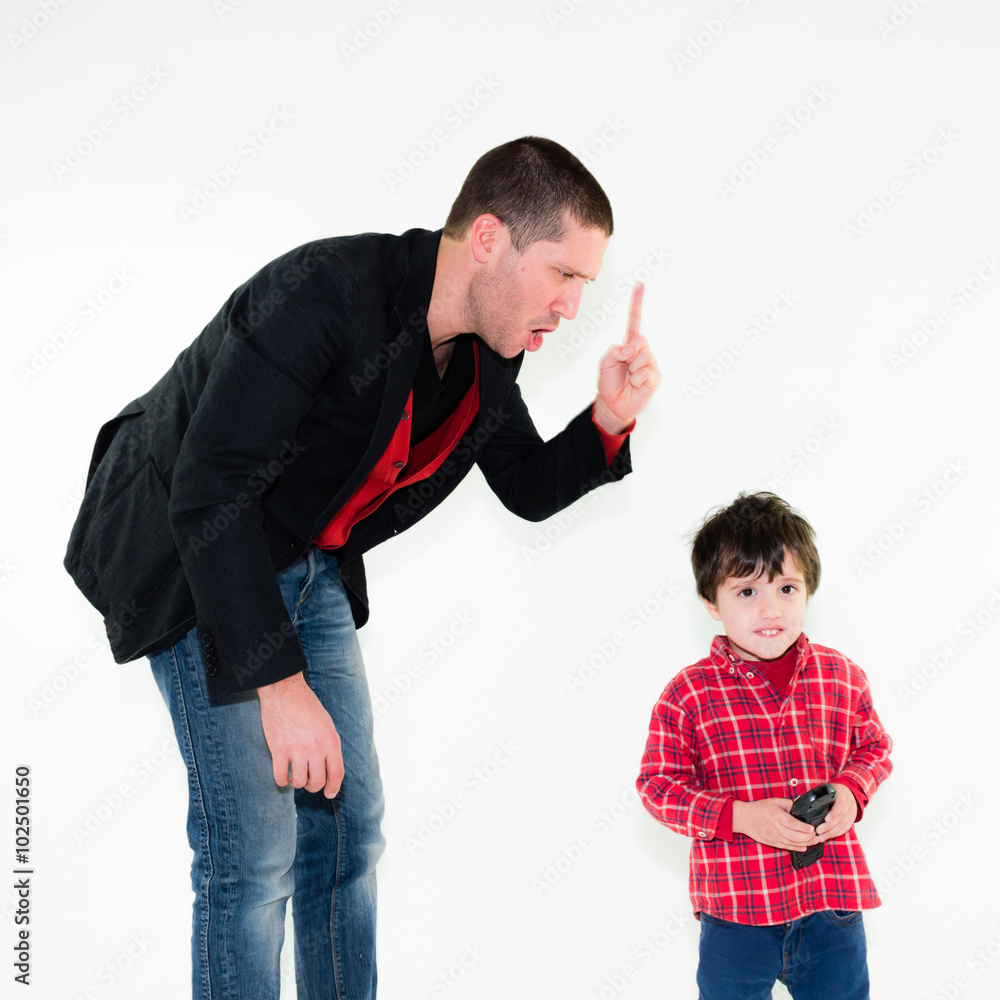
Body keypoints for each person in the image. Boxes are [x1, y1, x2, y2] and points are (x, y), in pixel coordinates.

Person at [64, 136, 661, 1000]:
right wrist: (278, 683)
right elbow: (210, 486)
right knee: (255, 856)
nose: (571, 308)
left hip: (307, 567)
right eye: (564, 275)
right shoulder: (325, 294)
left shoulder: (490, 351)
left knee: (349, 833)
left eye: (585, 287)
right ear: (488, 239)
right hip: (199, 558)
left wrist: (607, 419)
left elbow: (527, 485)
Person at [636, 492, 892, 1000]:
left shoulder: (841, 676)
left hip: (830, 901)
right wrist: (739, 816)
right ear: (711, 602)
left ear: (809, 591)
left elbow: (874, 748)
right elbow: (657, 787)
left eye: (787, 587)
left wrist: (851, 790)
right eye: (747, 592)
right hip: (736, 910)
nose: (771, 609)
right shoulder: (687, 693)